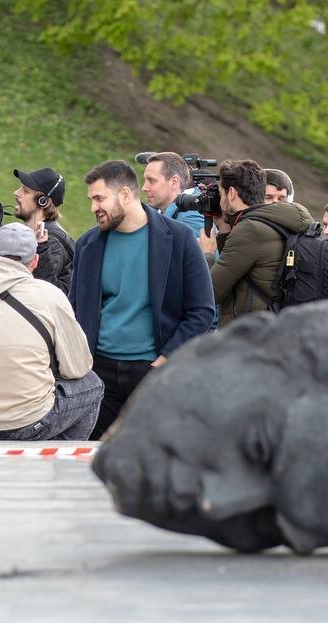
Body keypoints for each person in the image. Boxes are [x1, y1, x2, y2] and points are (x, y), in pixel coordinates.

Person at [71, 160, 214, 439]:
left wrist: (164, 359)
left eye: (99, 198)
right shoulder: (87, 245)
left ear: (125, 194)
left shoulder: (178, 237)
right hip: (99, 375)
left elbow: (201, 310)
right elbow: (75, 308)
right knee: (92, 463)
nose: (93, 208)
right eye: (91, 200)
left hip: (152, 373)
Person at [0, 222, 103, 440]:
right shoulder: (50, 296)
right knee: (92, 384)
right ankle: (58, 461)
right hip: (26, 420)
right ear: (35, 261)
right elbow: (77, 367)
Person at [198, 159, 314, 324]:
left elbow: (209, 293)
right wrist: (224, 230)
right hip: (275, 327)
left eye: (222, 194)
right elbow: (239, 269)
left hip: (251, 334)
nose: (220, 199)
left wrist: (208, 254)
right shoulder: (274, 222)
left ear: (231, 193)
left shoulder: (250, 230)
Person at [13, 167, 74, 292]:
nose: (16, 193)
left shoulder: (52, 242)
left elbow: (44, 290)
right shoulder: (31, 234)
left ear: (43, 202)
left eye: (25, 190)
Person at [140, 152, 204, 236]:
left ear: (174, 182)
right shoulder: (164, 212)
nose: (144, 188)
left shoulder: (188, 218)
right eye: (145, 181)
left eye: (152, 181)